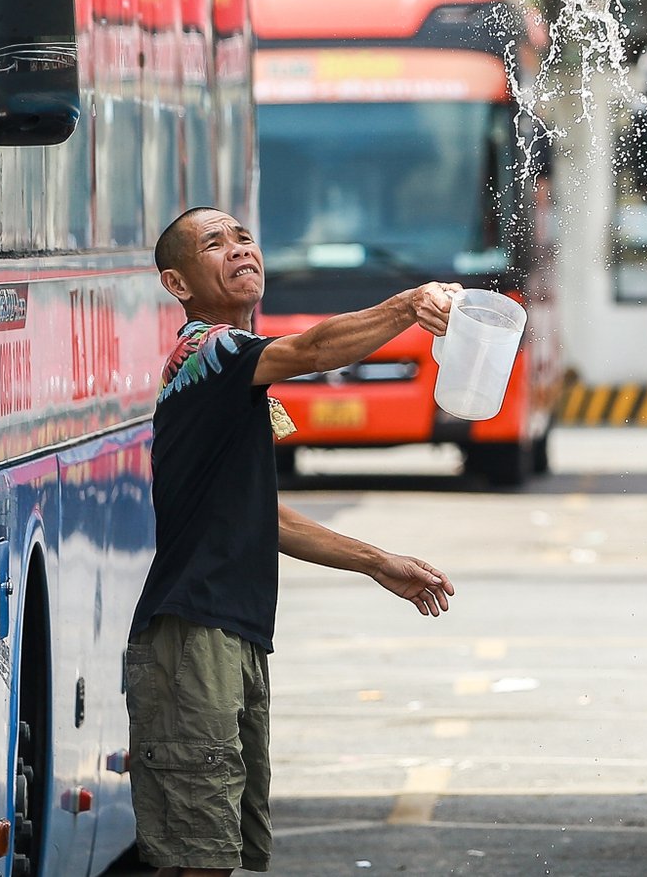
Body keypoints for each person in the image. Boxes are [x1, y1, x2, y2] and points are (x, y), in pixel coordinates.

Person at [127, 206, 459, 877]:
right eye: (213, 244)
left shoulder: (232, 371)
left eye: (244, 236)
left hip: (228, 633)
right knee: (200, 856)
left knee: (209, 851)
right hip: (194, 634)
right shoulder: (210, 349)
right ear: (177, 280)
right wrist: (406, 305)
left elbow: (260, 517)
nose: (239, 248)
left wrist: (376, 561)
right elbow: (308, 351)